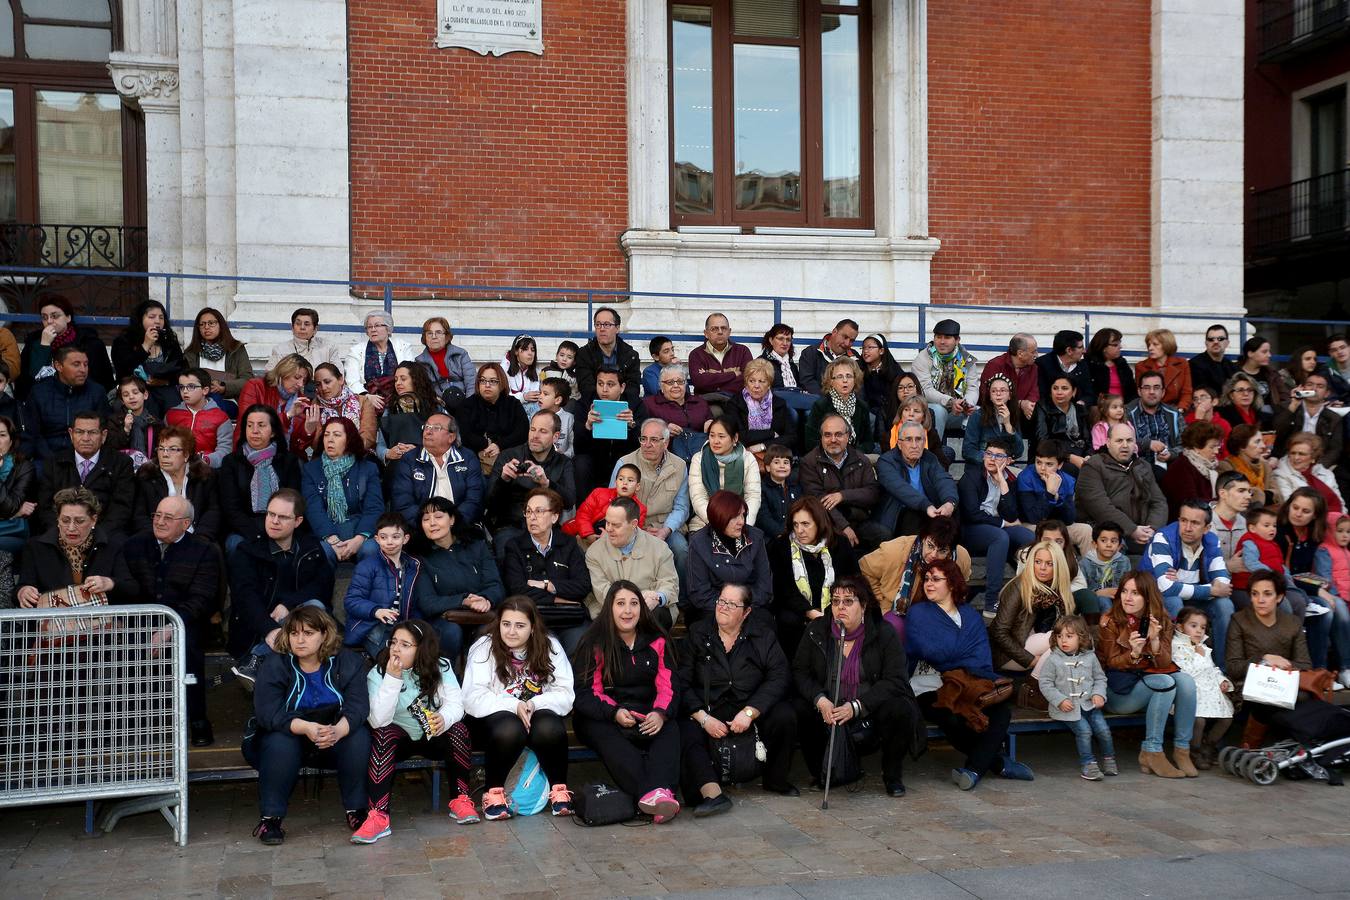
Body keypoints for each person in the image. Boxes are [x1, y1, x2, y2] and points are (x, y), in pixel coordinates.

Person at [242, 606, 370, 846]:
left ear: (324, 634)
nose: (300, 640)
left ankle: (357, 810)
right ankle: (270, 819)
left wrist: (337, 731)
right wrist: (306, 727)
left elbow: (358, 706)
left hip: (330, 737)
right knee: (281, 742)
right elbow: (268, 713)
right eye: (293, 633)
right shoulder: (275, 664)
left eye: (308, 633)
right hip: (281, 740)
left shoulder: (347, 661)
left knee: (358, 736)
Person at [904, 558, 1030, 790]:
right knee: (950, 716)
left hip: (971, 682)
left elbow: (980, 655)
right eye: (927, 579)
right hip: (927, 686)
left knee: (1001, 712)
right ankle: (997, 763)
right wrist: (959, 653)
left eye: (936, 579)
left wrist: (952, 654)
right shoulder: (917, 613)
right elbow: (929, 651)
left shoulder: (970, 615)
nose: (929, 584)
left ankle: (973, 769)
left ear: (951, 584)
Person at [792, 576, 923, 797]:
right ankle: (823, 772)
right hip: (829, 710)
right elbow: (800, 671)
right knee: (798, 707)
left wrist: (857, 706)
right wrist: (820, 700)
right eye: (835, 601)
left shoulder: (884, 633)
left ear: (863, 605)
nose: (840, 607)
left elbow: (895, 679)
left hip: (868, 710)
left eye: (848, 601)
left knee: (899, 708)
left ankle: (892, 775)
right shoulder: (817, 630)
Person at [677, 583, 797, 812]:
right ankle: (711, 793)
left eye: (732, 604)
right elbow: (681, 682)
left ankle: (775, 779)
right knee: (684, 728)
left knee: (784, 715)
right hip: (710, 708)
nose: (723, 607)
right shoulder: (698, 633)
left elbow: (779, 676)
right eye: (721, 601)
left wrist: (751, 711)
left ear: (747, 611)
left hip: (748, 706)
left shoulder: (763, 635)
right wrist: (703, 718)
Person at [352, 620, 475, 841]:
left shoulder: (441, 666)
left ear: (422, 649)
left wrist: (444, 719)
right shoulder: (378, 672)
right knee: (382, 735)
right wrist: (393, 678)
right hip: (400, 736)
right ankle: (379, 815)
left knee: (458, 729)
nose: (396, 649)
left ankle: (461, 798)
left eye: (405, 644)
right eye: (394, 642)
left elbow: (457, 704)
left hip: (433, 735)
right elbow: (378, 719)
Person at [572, 580, 681, 822]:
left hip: (646, 713)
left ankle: (658, 795)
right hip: (603, 715)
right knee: (608, 735)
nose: (627, 611)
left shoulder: (657, 640)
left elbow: (669, 686)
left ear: (642, 608)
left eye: (634, 604)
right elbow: (586, 693)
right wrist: (615, 712)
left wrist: (660, 713)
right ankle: (653, 795)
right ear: (610, 607)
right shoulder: (594, 642)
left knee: (670, 727)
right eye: (620, 604)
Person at [462, 598, 576, 820]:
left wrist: (535, 703)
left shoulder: (550, 646)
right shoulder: (485, 647)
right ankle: (493, 793)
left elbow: (565, 694)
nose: (511, 631)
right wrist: (513, 705)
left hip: (535, 714)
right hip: (490, 721)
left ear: (533, 628)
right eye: (506, 624)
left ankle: (559, 790)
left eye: (520, 625)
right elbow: (472, 698)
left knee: (549, 726)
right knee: (509, 728)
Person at [124, 495, 221, 746]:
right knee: (128, 645)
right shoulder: (134, 544)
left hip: (186, 620)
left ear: (186, 523)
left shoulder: (204, 550)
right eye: (157, 515)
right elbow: (126, 587)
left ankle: (198, 720)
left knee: (186, 648)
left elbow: (203, 598)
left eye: (169, 517)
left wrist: (170, 626)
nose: (160, 521)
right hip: (141, 619)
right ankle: (140, 722)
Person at [1226, 570, 1350, 749]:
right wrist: (1265, 659)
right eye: (1255, 594)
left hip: (1284, 684)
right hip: (1249, 684)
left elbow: (1305, 665)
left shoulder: (1292, 623)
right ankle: (1252, 746)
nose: (1260, 600)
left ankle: (1306, 748)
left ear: (1279, 597)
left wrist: (1286, 665)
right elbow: (1233, 667)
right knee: (1268, 699)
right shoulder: (1239, 620)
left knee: (1301, 697)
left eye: (1267, 594)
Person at [226, 488, 336, 684]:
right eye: (271, 514)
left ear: (298, 521)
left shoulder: (311, 547)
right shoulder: (248, 550)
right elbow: (245, 597)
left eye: (283, 517)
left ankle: (258, 658)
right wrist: (269, 630)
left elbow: (322, 586)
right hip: (258, 627)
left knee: (315, 607)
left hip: (299, 621)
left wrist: (288, 605)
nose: (274, 521)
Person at [1096, 570, 1198, 778]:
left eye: (1135, 593)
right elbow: (1111, 663)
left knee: (1186, 681)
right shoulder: (1111, 621)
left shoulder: (1161, 620)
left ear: (1148, 596)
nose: (1128, 597)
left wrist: (1154, 641)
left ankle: (1181, 750)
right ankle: (1152, 750)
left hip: (1146, 683)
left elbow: (1164, 663)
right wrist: (1133, 653)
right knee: (1164, 682)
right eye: (1124, 591)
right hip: (1118, 692)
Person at [501, 488, 593, 653]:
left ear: (555, 517)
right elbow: (517, 589)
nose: (532, 517)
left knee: (580, 643)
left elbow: (583, 585)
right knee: (541, 648)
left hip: (569, 618)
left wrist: (548, 585)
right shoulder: (514, 546)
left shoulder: (569, 544)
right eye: (528, 512)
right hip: (532, 619)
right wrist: (557, 599)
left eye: (539, 511)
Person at [768, 495, 860, 656]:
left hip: (835, 605)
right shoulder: (781, 546)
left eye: (805, 524)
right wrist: (811, 612)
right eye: (795, 524)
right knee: (789, 620)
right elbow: (784, 589)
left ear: (819, 522)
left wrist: (836, 609)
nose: (799, 530)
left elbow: (854, 581)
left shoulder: (840, 544)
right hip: (798, 610)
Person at [417, 497, 505, 660]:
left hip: (481, 614)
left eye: (438, 516)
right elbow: (427, 602)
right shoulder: (421, 558)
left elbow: (495, 585)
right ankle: (449, 678)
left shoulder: (477, 546)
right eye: (426, 519)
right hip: (443, 619)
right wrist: (464, 600)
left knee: (488, 632)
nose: (432, 523)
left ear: (452, 519)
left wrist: (486, 599)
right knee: (451, 632)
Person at [17, 486, 133, 609]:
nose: (71, 528)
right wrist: (23, 592)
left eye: (79, 521)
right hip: (52, 624)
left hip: (98, 624)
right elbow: (21, 587)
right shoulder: (35, 547)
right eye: (65, 520)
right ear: (57, 519)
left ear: (93, 520)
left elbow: (132, 588)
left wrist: (110, 583)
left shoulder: (111, 547)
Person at [1147, 500, 1234, 662]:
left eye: (1194, 523)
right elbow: (1165, 588)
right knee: (1174, 600)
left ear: (1207, 528)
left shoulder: (1212, 541)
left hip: (1194, 598)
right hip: (1155, 598)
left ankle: (1221, 668)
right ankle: (1180, 665)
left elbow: (1223, 585)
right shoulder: (1163, 538)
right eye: (1183, 520)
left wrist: (1180, 584)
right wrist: (1210, 590)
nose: (1187, 528)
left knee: (1224, 604)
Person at [958, 435, 1036, 613]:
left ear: (1008, 461)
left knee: (1029, 537)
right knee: (1000, 537)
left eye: (999, 456)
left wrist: (1002, 482)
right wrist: (1002, 523)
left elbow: (1011, 513)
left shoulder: (1010, 480)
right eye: (989, 454)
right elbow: (971, 514)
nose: (992, 459)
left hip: (995, 529)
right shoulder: (971, 477)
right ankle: (991, 601)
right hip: (971, 530)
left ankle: (1028, 591)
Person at [859, 515, 970, 635]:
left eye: (942, 551)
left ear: (951, 550)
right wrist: (879, 600)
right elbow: (865, 567)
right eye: (930, 545)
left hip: (937, 611)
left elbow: (961, 586)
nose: (933, 555)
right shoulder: (894, 551)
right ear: (923, 538)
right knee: (895, 626)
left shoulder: (961, 558)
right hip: (897, 609)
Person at [1037, 615, 1116, 780]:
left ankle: (1109, 759)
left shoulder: (1090, 657)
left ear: (1081, 637)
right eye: (1059, 636)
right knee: (1085, 731)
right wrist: (1059, 700)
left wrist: (1098, 694)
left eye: (1069, 636)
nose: (1063, 640)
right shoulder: (1053, 660)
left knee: (1103, 730)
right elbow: (1045, 683)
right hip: (1067, 709)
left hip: (1089, 705)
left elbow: (1100, 678)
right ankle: (1088, 764)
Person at [219, 404, 304, 554]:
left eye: (261, 425)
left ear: (273, 432)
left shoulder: (288, 461)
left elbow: (293, 501)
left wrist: (278, 529)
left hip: (282, 523)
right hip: (245, 527)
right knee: (235, 545)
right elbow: (231, 508)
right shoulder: (231, 462)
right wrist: (257, 535)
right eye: (249, 425)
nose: (254, 431)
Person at [613, 418, 691, 581]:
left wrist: (666, 530)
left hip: (665, 525)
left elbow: (682, 507)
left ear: (666, 442)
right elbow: (613, 503)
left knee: (681, 549)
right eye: (644, 439)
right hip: (632, 525)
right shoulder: (625, 463)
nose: (647, 444)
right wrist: (636, 530)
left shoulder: (679, 465)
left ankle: (682, 601)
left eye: (654, 440)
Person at [585, 497, 680, 630]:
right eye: (607, 523)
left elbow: (670, 584)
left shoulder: (660, 548)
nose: (609, 529)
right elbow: (602, 591)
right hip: (611, 612)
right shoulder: (594, 552)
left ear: (634, 524)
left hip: (650, 613)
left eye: (616, 525)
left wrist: (657, 597)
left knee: (656, 615)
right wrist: (635, 603)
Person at [486, 410, 577, 549]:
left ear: (555, 436)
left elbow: (569, 501)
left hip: (547, 527)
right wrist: (503, 480)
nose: (535, 436)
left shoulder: (563, 462)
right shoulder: (508, 456)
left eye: (543, 431)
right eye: (532, 429)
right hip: (511, 526)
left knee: (571, 552)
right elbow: (489, 503)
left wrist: (546, 483)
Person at [34, 410, 135, 534]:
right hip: (61, 534)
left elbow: (121, 508)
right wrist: (64, 533)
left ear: (103, 435)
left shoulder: (121, 463)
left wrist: (95, 535)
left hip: (104, 536)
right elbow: (45, 507)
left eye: (92, 432)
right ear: (71, 434)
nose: (86, 438)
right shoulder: (54, 463)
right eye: (79, 432)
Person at [342, 513, 425, 658]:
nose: (389, 542)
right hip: (371, 626)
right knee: (393, 659)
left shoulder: (413, 566)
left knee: (420, 654)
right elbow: (351, 601)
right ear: (377, 539)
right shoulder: (367, 566)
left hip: (402, 626)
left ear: (405, 539)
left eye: (395, 536)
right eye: (383, 537)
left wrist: (416, 626)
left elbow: (415, 603)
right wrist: (376, 611)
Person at [301, 418, 384, 565]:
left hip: (359, 531)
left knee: (371, 550)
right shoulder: (311, 470)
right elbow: (313, 509)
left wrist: (359, 539)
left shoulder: (367, 469)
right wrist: (332, 540)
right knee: (322, 551)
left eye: (337, 435)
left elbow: (374, 508)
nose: (330, 440)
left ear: (349, 440)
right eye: (326, 435)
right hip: (326, 533)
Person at [685, 490, 771, 628]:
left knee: (764, 622)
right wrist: (728, 607)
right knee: (707, 626)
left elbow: (764, 586)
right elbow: (699, 592)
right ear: (719, 517)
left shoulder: (755, 537)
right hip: (713, 608)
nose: (741, 522)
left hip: (748, 606)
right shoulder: (699, 543)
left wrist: (741, 606)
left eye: (743, 515)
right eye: (735, 517)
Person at [1075, 423, 1167, 552]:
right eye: (1119, 441)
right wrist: (1132, 530)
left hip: (1145, 533)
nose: (1125, 445)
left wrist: (1152, 529)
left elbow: (1159, 502)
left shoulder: (1143, 466)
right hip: (1108, 534)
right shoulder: (1093, 466)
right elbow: (1100, 507)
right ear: (1108, 442)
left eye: (1129, 440)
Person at [798, 413, 884, 549]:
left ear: (848, 436)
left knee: (882, 535)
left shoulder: (861, 460)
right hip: (828, 521)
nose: (833, 439)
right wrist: (844, 526)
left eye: (838, 434)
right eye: (827, 435)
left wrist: (842, 496)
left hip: (859, 518)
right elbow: (817, 499)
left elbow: (873, 493)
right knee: (840, 542)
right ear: (821, 437)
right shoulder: (809, 462)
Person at [991, 540, 1075, 673]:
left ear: (1058, 566)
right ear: (1031, 562)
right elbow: (999, 631)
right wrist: (1029, 659)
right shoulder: (1019, 587)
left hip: (1039, 644)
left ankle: (1033, 684)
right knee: (1061, 638)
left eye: (1049, 564)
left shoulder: (1058, 590)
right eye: (1038, 562)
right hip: (1010, 655)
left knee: (1062, 644)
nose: (1042, 568)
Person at [389, 413, 484, 528]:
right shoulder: (409, 459)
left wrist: (453, 524)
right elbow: (403, 502)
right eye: (427, 427)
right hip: (420, 529)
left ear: (451, 437)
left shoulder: (467, 458)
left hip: (460, 526)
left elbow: (474, 499)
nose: (428, 432)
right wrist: (428, 524)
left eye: (436, 428)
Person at [1275, 488, 1336, 665]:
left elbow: (1304, 571)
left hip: (1303, 586)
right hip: (1286, 587)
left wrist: (1319, 586)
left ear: (1315, 515)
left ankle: (1329, 671)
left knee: (1335, 606)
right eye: (1295, 507)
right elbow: (1284, 573)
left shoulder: (1313, 533)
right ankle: (1313, 669)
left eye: (1306, 511)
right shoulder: (1280, 531)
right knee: (1325, 609)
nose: (1298, 514)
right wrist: (1317, 589)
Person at [132, 425, 222, 541]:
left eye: (172, 449)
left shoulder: (204, 476)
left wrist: (200, 539)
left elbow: (213, 512)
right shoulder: (147, 476)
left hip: (197, 540)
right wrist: (157, 538)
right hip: (156, 540)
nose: (165, 454)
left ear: (186, 455)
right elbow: (140, 516)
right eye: (161, 448)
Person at [1170, 607, 1234, 770]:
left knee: (1227, 718)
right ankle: (1194, 749)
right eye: (1193, 626)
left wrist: (1222, 680)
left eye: (1202, 627)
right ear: (1180, 627)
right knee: (1199, 720)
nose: (1199, 631)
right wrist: (1198, 655)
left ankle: (1208, 744)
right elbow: (1186, 672)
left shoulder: (1203, 647)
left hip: (1210, 691)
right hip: (1192, 692)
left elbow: (1212, 668)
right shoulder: (1177, 646)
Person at [22, 346, 112, 460]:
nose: (83, 370)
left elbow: (103, 431)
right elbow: (33, 434)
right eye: (76, 364)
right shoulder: (40, 392)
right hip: (46, 458)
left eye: (85, 364)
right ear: (58, 366)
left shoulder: (96, 392)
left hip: (86, 457)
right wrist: (52, 461)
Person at [17, 297, 114, 398]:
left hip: (82, 401)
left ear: (68, 317)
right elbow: (30, 380)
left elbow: (103, 380)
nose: (49, 321)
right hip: (44, 402)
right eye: (44, 317)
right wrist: (44, 345)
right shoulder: (34, 343)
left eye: (55, 316)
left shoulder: (89, 343)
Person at [876, 420, 958, 538]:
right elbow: (900, 488)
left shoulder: (929, 458)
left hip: (928, 511)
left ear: (924, 442)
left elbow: (943, 480)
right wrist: (926, 505)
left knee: (953, 512)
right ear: (899, 444)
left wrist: (950, 502)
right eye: (909, 439)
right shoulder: (886, 462)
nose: (914, 445)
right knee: (913, 516)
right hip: (899, 515)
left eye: (919, 439)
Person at [111, 299, 186, 414]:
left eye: (161, 318)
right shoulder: (123, 341)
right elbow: (123, 370)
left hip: (165, 392)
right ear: (140, 319)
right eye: (152, 317)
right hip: (136, 392)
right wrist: (145, 345)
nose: (157, 321)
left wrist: (165, 381)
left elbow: (182, 369)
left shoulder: (169, 342)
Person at [688, 417, 760, 533]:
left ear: (735, 438)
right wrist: (720, 523)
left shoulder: (747, 458)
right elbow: (698, 498)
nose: (715, 441)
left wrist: (742, 524)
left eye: (721, 436)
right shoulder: (699, 458)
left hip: (740, 523)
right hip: (706, 521)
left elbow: (753, 496)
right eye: (712, 435)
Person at [573, 366, 639, 495]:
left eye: (610, 384)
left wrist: (632, 425)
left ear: (622, 387)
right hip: (595, 460)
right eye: (600, 384)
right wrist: (588, 426)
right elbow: (578, 447)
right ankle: (583, 511)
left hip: (622, 458)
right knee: (581, 463)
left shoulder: (635, 404)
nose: (604, 389)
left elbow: (641, 441)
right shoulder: (585, 403)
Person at [457, 363, 529, 476]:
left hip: (509, 457)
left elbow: (522, 432)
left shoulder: (513, 404)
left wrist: (499, 445)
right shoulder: (468, 405)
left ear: (502, 383)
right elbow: (466, 435)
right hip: (475, 459)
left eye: (493, 381)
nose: (487, 385)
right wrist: (487, 445)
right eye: (483, 380)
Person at [911, 319, 978, 438]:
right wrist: (950, 402)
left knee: (981, 413)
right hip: (929, 408)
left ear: (957, 340)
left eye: (947, 337)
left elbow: (972, 387)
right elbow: (925, 390)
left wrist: (967, 405)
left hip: (957, 409)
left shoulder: (966, 359)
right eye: (938, 337)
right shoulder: (923, 358)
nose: (941, 342)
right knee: (939, 411)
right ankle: (936, 453)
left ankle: (977, 454)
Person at [234, 353, 312, 450]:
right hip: (249, 451)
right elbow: (248, 425)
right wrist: (287, 415)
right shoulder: (255, 387)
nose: (300, 384)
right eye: (296, 377)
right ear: (283, 372)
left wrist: (309, 430)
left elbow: (299, 446)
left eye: (304, 381)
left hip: (286, 457)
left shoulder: (302, 402)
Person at [165, 367, 235, 467]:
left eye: (191, 386)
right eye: (181, 387)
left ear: (205, 390)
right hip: (176, 469)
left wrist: (207, 460)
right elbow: (164, 444)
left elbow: (225, 451)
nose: (185, 391)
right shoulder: (171, 414)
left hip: (207, 472)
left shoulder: (220, 418)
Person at [641, 364, 711, 461]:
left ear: (685, 384)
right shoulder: (649, 404)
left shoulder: (699, 402)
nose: (676, 385)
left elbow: (712, 424)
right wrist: (663, 430)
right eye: (670, 382)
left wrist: (711, 424)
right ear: (661, 385)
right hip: (667, 456)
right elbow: (641, 430)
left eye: (680, 382)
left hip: (699, 454)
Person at [342, 311, 416, 402]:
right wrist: (366, 396)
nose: (373, 329)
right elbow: (352, 381)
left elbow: (410, 376)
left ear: (388, 329)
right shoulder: (356, 351)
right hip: (367, 399)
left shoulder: (403, 347)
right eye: (369, 327)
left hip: (398, 397)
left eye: (377, 325)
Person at [575, 306, 642, 407]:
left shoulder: (631, 355)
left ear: (617, 328)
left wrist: (617, 407)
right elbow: (586, 388)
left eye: (606, 325)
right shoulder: (584, 354)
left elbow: (633, 388)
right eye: (598, 325)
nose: (602, 329)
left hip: (623, 408)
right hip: (593, 407)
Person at [724, 358, 794, 454]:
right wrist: (771, 433)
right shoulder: (735, 403)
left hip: (772, 454)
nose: (756, 386)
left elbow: (791, 437)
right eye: (752, 381)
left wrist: (762, 446)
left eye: (762, 381)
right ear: (745, 383)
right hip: (743, 453)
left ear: (769, 384)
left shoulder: (778, 403)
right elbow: (738, 436)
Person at [1273, 371, 1343, 468]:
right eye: (1310, 385)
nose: (1314, 389)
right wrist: (1293, 405)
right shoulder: (1288, 408)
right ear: (1302, 388)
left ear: (1327, 393)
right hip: (1288, 460)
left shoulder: (1334, 418)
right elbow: (1278, 430)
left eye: (1320, 386)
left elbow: (1335, 450)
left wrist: (1318, 467)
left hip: (1318, 463)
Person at [804, 357, 874, 453]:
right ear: (831, 381)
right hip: (827, 456)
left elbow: (868, 442)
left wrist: (853, 454)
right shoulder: (821, 406)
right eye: (840, 376)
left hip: (854, 457)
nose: (845, 380)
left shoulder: (862, 406)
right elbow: (810, 442)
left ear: (855, 380)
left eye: (849, 376)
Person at [1159, 420, 1225, 519]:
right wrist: (1222, 502)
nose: (1216, 451)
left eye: (1217, 446)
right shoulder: (1181, 468)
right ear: (1196, 447)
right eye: (1212, 447)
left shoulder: (1211, 466)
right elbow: (1191, 503)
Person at [183, 307, 252, 399]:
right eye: (202, 324)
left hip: (229, 400)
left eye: (211, 323)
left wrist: (224, 387)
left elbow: (247, 379)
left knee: (215, 400)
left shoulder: (236, 349)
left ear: (221, 325)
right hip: (199, 401)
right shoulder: (191, 354)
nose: (206, 327)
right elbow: (184, 381)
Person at [565, 462, 645, 541]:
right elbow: (583, 514)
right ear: (615, 482)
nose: (625, 483)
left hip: (612, 542)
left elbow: (633, 534)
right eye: (621, 479)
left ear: (637, 487)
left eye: (630, 480)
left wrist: (609, 536)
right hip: (582, 532)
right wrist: (589, 534)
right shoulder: (599, 493)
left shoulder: (640, 509)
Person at [1315, 511, 1350, 688]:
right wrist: (1340, 594)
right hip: (1336, 595)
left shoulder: (1346, 551)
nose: (1345, 535)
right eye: (1340, 531)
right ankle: (1345, 668)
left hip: (1346, 594)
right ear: (1329, 531)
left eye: (1348, 532)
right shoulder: (1324, 550)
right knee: (1342, 614)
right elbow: (1325, 579)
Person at [1272, 432, 1344, 514]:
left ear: (1313, 458)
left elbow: (1340, 503)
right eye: (1293, 453)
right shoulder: (1280, 475)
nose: (1296, 458)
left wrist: (1339, 520)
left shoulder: (1326, 474)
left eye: (1302, 454)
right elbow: (1290, 506)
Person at [1032, 374, 1091, 472]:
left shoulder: (1080, 410)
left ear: (1074, 391)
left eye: (1064, 388)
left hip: (1080, 456)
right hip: (1054, 457)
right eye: (1055, 388)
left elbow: (1088, 440)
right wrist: (1069, 457)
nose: (1059, 392)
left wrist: (1088, 456)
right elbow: (1043, 442)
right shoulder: (1042, 407)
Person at [1015, 438, 1079, 527]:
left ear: (1059, 465)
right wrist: (1050, 494)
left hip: (1057, 525)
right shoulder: (1025, 478)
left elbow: (1069, 520)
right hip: (1032, 525)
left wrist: (1058, 498)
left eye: (1049, 464)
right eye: (1039, 462)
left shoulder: (1068, 480)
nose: (1042, 468)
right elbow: (1034, 518)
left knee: (1085, 530)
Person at [962, 373, 1024, 465]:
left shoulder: (1013, 415)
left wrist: (1007, 424)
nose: (998, 394)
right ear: (990, 396)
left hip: (1004, 467)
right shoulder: (977, 415)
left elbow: (1018, 452)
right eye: (994, 391)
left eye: (1003, 390)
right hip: (981, 466)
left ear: (1010, 395)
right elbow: (968, 451)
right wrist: (992, 459)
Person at [688, 313, 751, 400]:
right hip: (708, 402)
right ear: (706, 333)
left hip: (737, 401)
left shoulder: (742, 351)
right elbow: (699, 382)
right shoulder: (696, 354)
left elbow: (748, 379)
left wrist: (711, 379)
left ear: (729, 332)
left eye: (724, 328)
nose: (720, 332)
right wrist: (733, 374)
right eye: (714, 329)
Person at [760, 323, 817, 417]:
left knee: (810, 413)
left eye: (788, 339)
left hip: (796, 401)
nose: (785, 343)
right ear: (771, 340)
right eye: (780, 338)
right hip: (774, 404)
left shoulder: (791, 365)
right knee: (792, 414)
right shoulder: (762, 363)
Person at [979, 333, 1040, 422]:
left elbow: (1034, 394)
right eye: (1033, 352)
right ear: (1020, 353)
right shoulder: (995, 365)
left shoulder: (1034, 368)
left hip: (1022, 417)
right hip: (994, 417)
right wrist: (1019, 404)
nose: (1036, 355)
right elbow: (986, 396)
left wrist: (1029, 406)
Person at [416, 317, 476, 405]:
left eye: (438, 332)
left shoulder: (460, 354)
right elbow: (422, 391)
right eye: (429, 333)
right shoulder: (419, 362)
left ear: (447, 336)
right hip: (437, 404)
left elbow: (471, 382)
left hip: (463, 401)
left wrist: (469, 404)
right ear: (425, 338)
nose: (434, 337)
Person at [1218, 423, 1280, 507]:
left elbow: (1279, 495)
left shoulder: (1265, 465)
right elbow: (1234, 498)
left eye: (1262, 441)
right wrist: (1266, 495)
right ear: (1242, 446)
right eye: (1257, 442)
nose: (1263, 446)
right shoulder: (1226, 466)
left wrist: (1259, 495)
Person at [266, 307, 344, 371]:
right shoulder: (280, 350)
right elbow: (270, 377)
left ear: (315, 329)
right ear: (292, 328)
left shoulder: (329, 348)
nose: (302, 327)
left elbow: (338, 376)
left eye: (307, 324)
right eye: (298, 324)